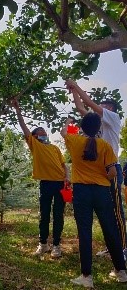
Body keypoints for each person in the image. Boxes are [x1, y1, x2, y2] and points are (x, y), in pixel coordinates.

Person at [61, 114, 127, 288]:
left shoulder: (75, 142)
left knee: (84, 232)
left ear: (82, 127)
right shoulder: (104, 145)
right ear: (99, 128)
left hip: (82, 192)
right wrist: (102, 178)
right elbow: (113, 172)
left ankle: (87, 277)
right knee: (110, 230)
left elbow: (64, 132)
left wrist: (68, 122)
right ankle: (121, 272)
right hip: (102, 191)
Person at [66, 79, 127, 259]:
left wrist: (76, 85)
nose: (98, 109)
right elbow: (81, 108)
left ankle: (124, 249)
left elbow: (89, 103)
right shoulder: (98, 124)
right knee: (106, 211)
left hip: (112, 168)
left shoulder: (114, 119)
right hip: (100, 171)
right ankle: (113, 248)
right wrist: (74, 91)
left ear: (110, 110)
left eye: (103, 107)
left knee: (117, 209)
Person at [12, 99, 67, 258]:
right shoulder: (35, 145)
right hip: (46, 184)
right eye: (41, 132)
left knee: (58, 215)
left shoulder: (55, 148)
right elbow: (24, 127)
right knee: (44, 215)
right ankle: (43, 244)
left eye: (45, 132)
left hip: (60, 184)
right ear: (35, 136)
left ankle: (56, 245)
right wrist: (18, 110)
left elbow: (64, 165)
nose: (44, 133)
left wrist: (67, 177)